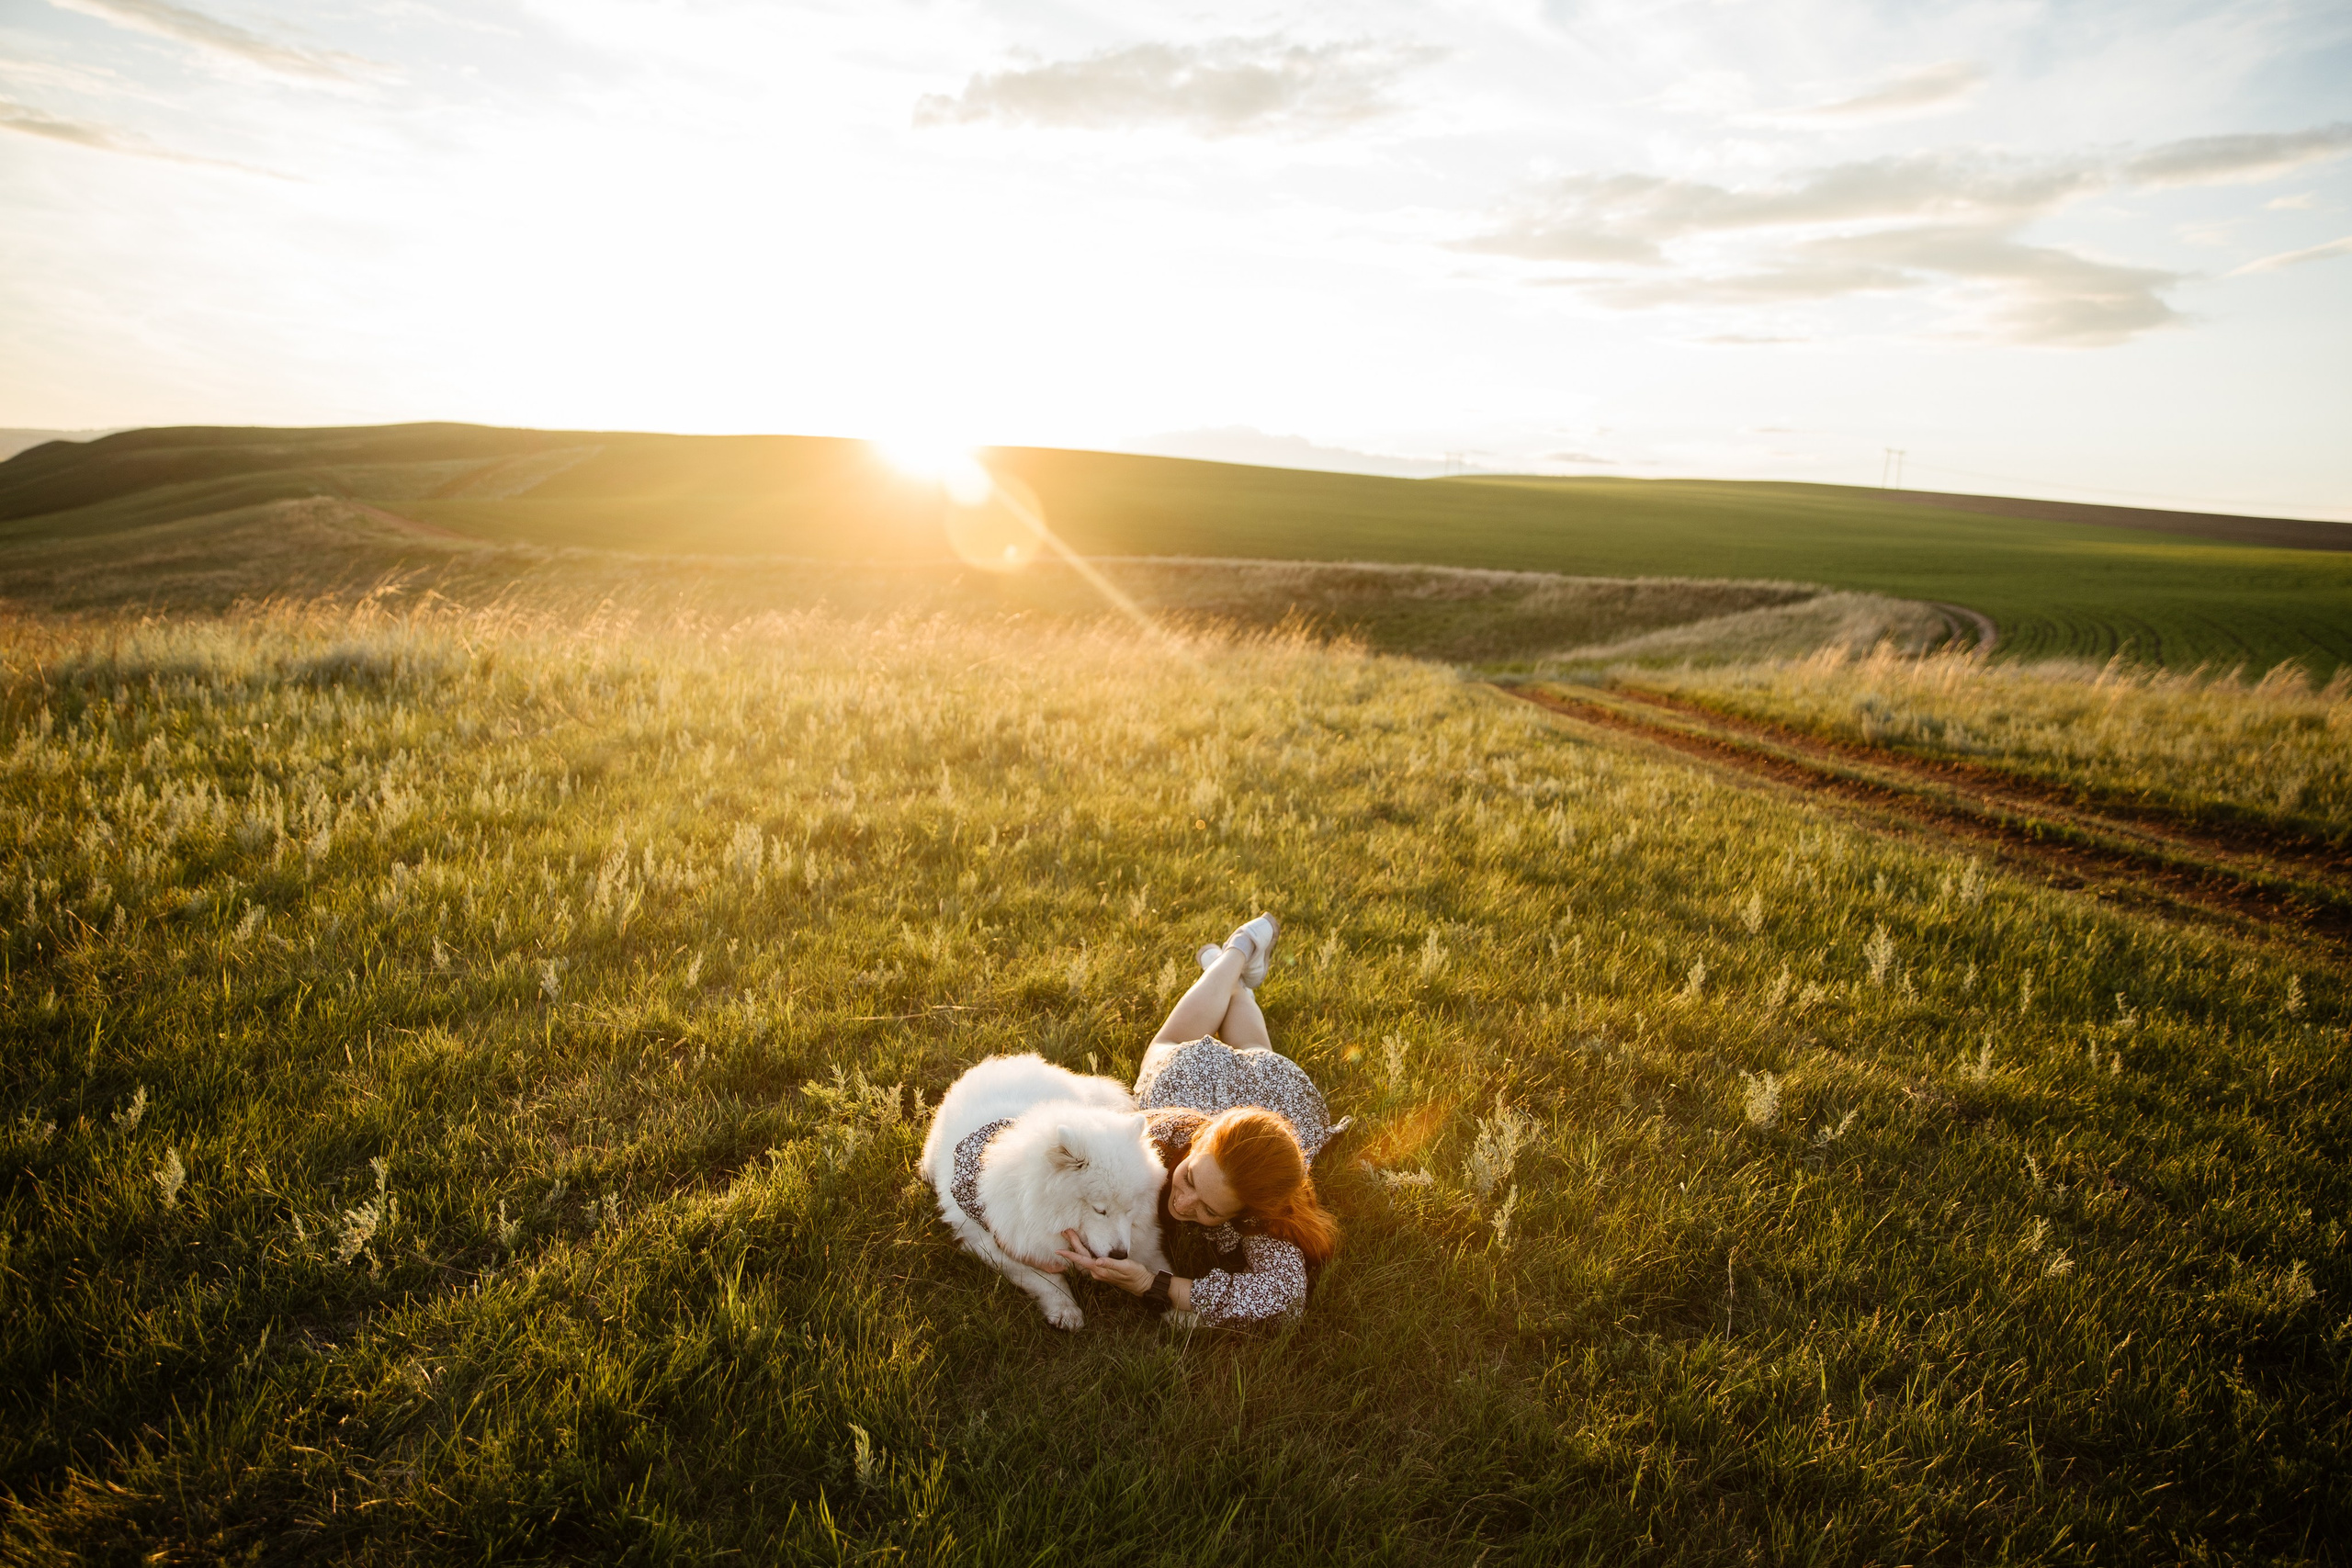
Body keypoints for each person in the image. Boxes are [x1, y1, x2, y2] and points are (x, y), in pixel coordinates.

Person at [1057, 915, 1346, 1325]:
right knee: (1170, 1045)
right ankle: (1239, 951)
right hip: (1194, 1080)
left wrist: (1152, 1284)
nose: (1183, 1203)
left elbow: (1283, 1301)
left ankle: (1232, 974)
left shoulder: (1266, 1211)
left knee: (1255, 1051)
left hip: (1277, 1091)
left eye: (1209, 1209)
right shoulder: (1164, 1129)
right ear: (1197, 1144)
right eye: (1190, 1177)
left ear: (1248, 1210)